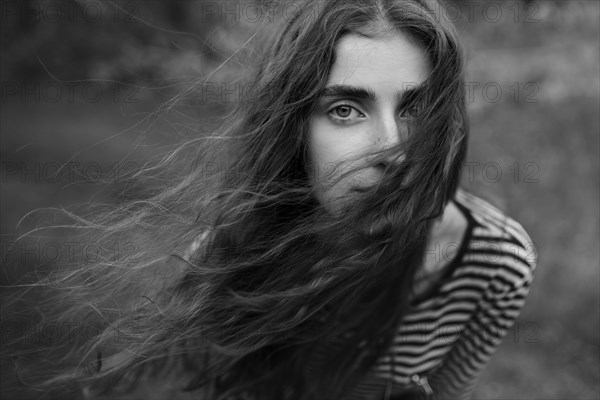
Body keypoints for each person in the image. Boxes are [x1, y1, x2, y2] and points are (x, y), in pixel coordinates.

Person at [4, 0, 537, 399]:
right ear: (294, 132)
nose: (392, 149)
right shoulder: (237, 253)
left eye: (416, 109)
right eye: (346, 109)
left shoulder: (496, 261)